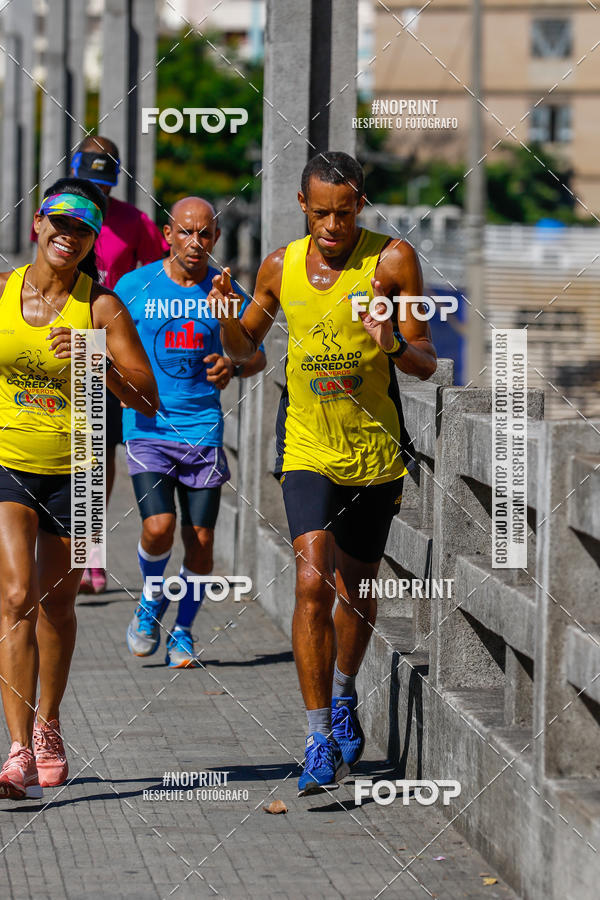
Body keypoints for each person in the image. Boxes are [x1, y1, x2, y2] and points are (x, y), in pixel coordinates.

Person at [209, 151, 437, 795]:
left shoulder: (392, 261)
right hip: (306, 447)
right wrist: (227, 321)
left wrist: (391, 341)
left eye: (344, 212)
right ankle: (315, 736)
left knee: (356, 592)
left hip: (373, 452)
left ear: (359, 204)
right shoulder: (279, 266)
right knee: (312, 581)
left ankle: (342, 695)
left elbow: (426, 359)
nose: (332, 227)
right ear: (302, 207)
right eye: (320, 214)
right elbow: (247, 355)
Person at [0, 177, 159, 799]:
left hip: (83, 466)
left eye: (83, 229)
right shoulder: (5, 293)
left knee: (56, 607)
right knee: (14, 597)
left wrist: (99, 359)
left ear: (94, 240)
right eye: (59, 224)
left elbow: (146, 395)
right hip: (10, 461)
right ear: (38, 224)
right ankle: (15, 752)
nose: (68, 237)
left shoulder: (102, 307)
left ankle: (48, 722)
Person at [117, 196, 265, 668]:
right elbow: (106, 342)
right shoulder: (134, 286)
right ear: (167, 234)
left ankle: (182, 630)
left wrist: (232, 365)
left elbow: (255, 356)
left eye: (204, 234)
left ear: (216, 238)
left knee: (200, 542)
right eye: (185, 231)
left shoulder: (223, 292)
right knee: (158, 527)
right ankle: (150, 598)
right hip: (147, 427)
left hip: (203, 430)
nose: (195, 242)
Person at [70, 136, 168, 593]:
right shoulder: (61, 209)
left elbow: (156, 281)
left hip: (106, 352)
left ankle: (88, 551)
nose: (98, 195)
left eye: (105, 186)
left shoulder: (137, 223)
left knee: (97, 455)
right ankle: (59, 541)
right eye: (90, 184)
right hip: (57, 345)